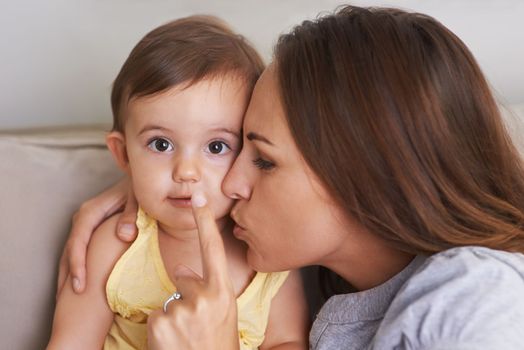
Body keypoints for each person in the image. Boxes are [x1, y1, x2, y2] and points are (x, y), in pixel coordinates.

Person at [58, 5, 524, 349]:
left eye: (262, 159)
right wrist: (145, 181)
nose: (229, 184)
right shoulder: (334, 300)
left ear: (361, 173)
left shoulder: (479, 299)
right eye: (236, 147)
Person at [47, 15, 309, 350]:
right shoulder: (114, 246)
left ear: (250, 153)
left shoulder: (268, 255)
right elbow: (70, 343)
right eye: (161, 144)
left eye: (216, 147)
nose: (186, 171)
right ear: (123, 154)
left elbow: (289, 341)